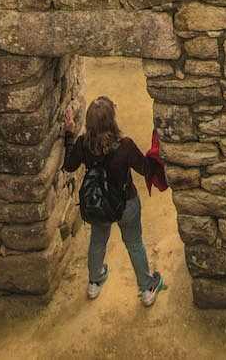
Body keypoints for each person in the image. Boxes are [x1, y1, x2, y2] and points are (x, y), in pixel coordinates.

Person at [62, 95, 168, 305]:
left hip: (99, 203)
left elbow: (69, 165)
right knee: (134, 243)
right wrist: (159, 148)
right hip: (126, 203)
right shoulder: (125, 146)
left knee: (98, 240)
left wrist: (69, 134)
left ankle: (94, 282)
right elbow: (146, 169)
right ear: (112, 120)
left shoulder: (84, 144)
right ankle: (147, 289)